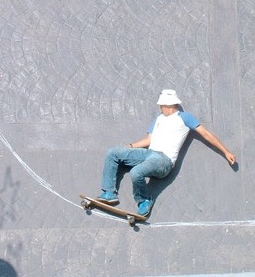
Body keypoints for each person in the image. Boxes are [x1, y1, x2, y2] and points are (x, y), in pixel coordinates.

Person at [97, 89, 237, 217]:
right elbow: (148, 140)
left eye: (161, 106)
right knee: (113, 152)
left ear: (167, 105)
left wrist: (226, 152)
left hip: (164, 160)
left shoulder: (185, 117)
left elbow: (206, 135)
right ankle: (109, 193)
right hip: (149, 154)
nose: (160, 108)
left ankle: (144, 200)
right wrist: (129, 146)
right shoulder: (158, 119)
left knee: (136, 172)